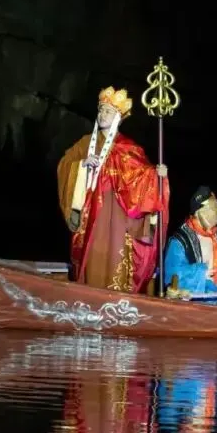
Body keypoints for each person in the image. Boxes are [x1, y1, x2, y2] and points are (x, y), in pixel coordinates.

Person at [56, 86, 169, 292]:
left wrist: (156, 175)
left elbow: (142, 175)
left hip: (117, 215)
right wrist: (81, 165)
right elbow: (65, 165)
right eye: (100, 110)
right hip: (91, 214)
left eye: (108, 111)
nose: (102, 114)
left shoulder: (128, 148)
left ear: (118, 117)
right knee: (91, 256)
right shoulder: (85, 144)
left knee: (115, 257)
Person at [164, 186, 217, 304]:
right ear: (201, 213)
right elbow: (172, 274)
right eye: (214, 208)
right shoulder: (181, 240)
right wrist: (200, 273)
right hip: (191, 304)